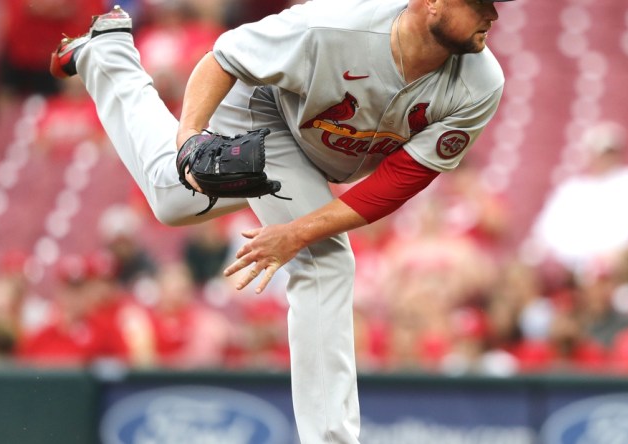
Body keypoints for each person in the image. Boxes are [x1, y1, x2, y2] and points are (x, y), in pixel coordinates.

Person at [49, 1, 510, 442]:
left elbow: (396, 183)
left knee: (171, 200)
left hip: (318, 159)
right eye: (481, 2)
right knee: (325, 263)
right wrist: (191, 140)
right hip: (263, 111)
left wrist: (294, 232)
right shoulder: (333, 25)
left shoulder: (480, 82)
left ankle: (107, 54)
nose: (492, 14)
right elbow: (222, 58)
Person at [527, 121, 628, 275]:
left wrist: (617, 258)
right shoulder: (571, 189)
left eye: (610, 152)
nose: (605, 158)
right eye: (601, 152)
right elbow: (543, 234)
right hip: (568, 270)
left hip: (620, 270)